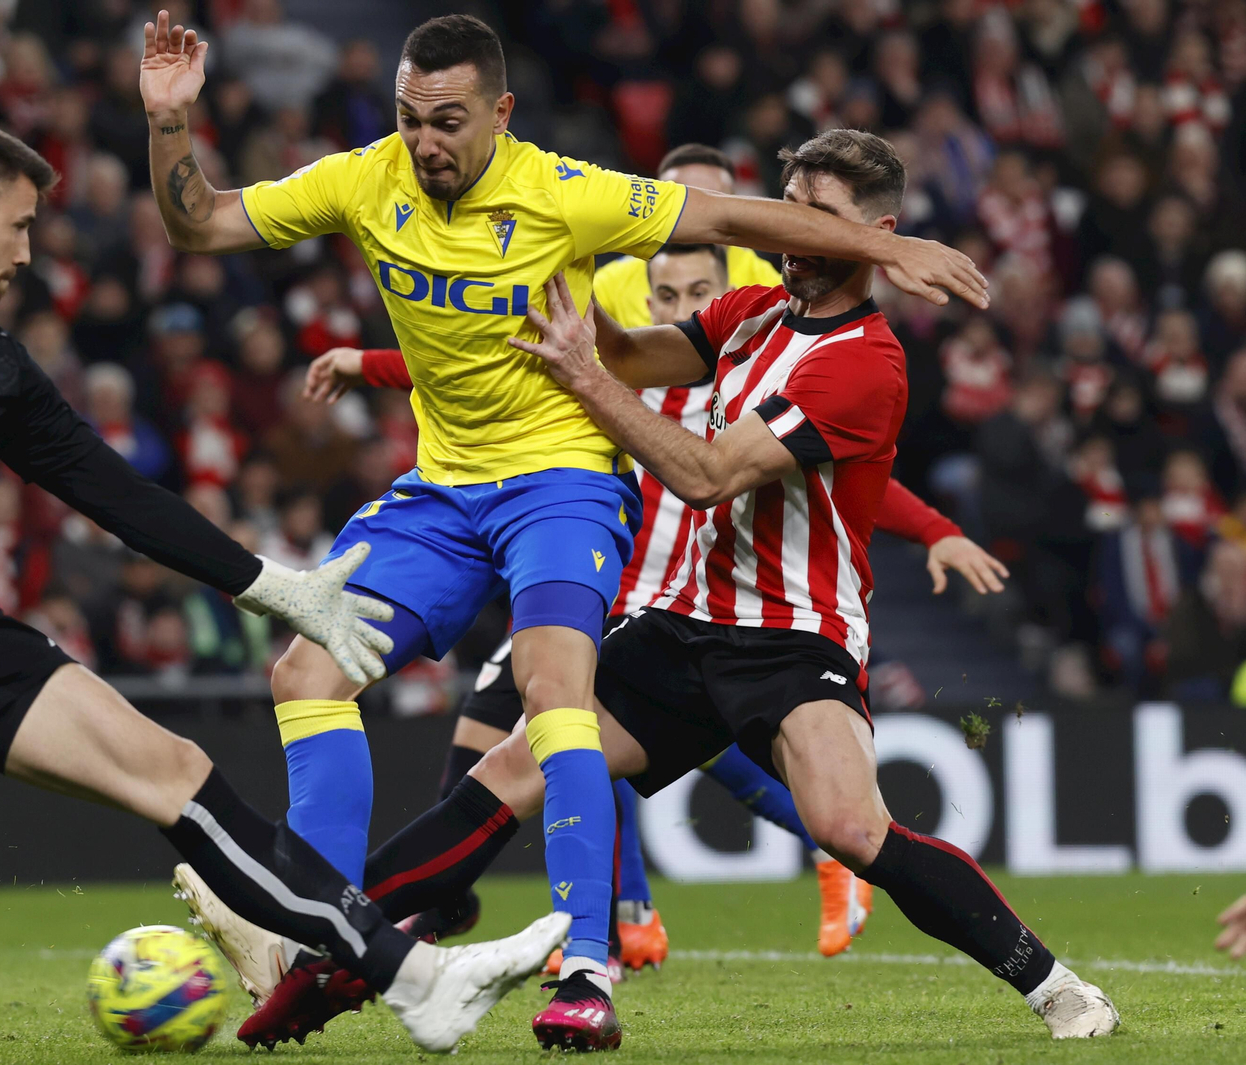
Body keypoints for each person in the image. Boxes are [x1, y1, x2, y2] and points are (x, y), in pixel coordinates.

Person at [138, 11, 988, 1031]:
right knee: (305, 669)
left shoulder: (568, 195)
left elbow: (727, 220)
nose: (426, 143)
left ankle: (587, 965)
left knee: (555, 696)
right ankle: (309, 925)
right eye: (410, 120)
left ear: (499, 112)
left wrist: (887, 252)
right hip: (442, 491)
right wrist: (169, 126)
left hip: (562, 481)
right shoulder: (367, 179)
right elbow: (202, 225)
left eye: (447, 121)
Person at [0, 118, 568, 1065]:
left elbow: (120, 496)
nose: (27, 254)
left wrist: (274, 587)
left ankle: (417, 983)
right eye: (18, 228)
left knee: (173, 769)